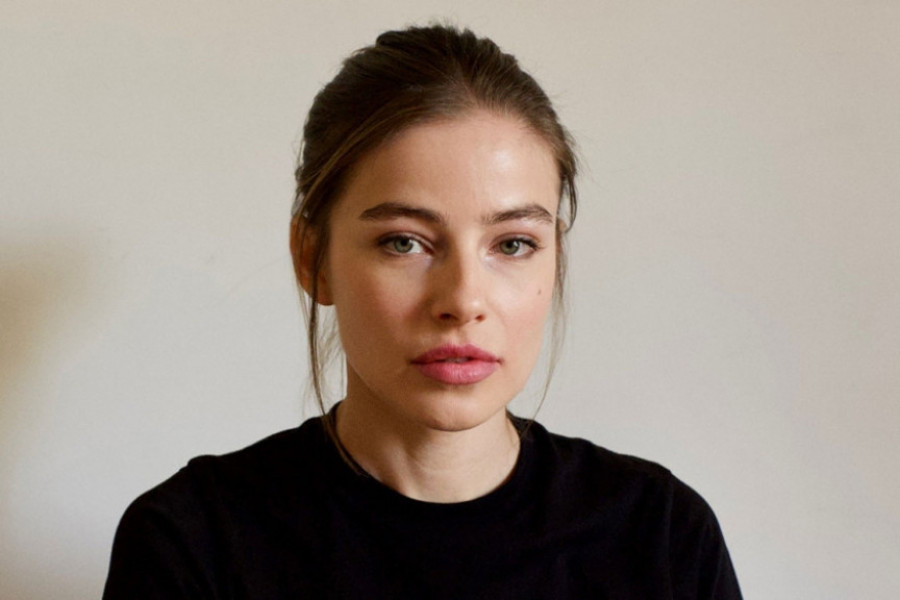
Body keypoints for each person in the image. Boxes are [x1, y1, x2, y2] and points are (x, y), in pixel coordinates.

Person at [103, 24, 743, 599]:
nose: (463, 300)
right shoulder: (193, 545)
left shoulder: (661, 537)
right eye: (404, 243)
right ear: (313, 257)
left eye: (513, 244)